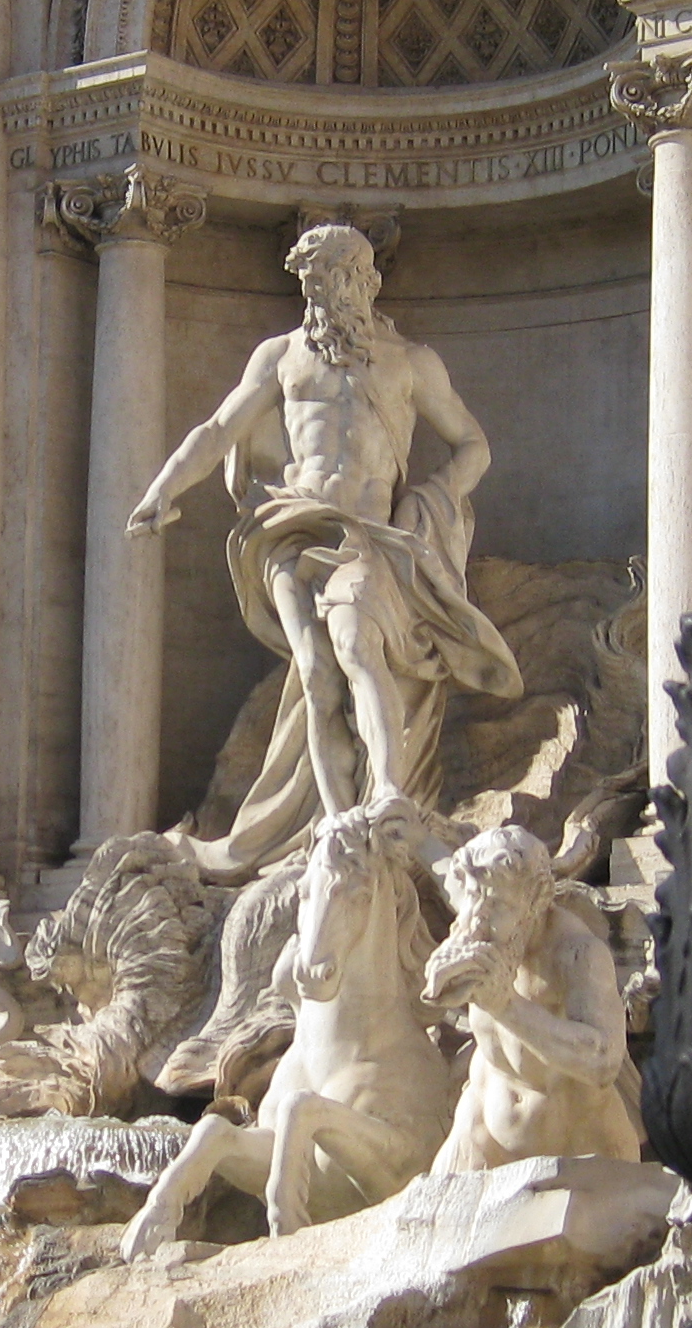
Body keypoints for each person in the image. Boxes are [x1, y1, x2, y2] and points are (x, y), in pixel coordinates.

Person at [128, 222, 520, 876]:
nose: (326, 293)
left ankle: (388, 792)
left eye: (339, 278)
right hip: (289, 524)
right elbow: (220, 428)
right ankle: (340, 828)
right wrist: (163, 489)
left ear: (366, 282)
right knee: (313, 670)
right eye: (314, 282)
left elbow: (473, 444)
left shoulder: (409, 362)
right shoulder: (280, 356)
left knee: (357, 646)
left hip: (363, 533)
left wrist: (434, 498)